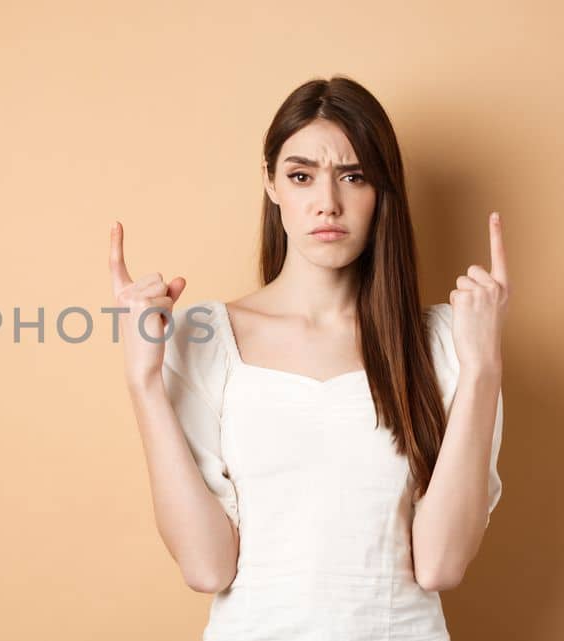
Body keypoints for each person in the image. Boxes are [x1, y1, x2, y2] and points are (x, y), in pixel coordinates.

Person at [109, 76, 509, 640]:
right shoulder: (205, 337)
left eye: (354, 176)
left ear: (383, 190)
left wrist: (485, 367)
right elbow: (207, 567)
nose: (328, 203)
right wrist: (142, 383)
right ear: (271, 184)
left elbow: (441, 563)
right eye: (301, 176)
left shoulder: (449, 342)